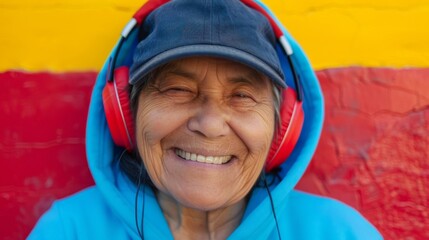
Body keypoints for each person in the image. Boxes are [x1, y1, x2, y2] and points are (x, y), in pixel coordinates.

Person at [28, 0, 383, 239]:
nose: (210, 125)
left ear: (283, 129)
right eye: (177, 90)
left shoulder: (339, 233)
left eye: (242, 96)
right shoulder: (70, 229)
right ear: (125, 114)